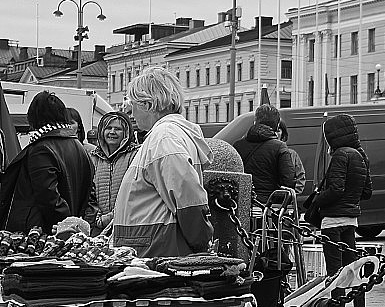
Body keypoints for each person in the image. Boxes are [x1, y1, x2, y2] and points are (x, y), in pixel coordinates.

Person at [113, 66, 213, 258]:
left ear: (148, 105)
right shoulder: (166, 136)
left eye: (133, 105)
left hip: (155, 248)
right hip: (154, 244)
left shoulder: (164, 138)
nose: (131, 113)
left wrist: (201, 244)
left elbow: (188, 199)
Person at [0, 91, 94, 234]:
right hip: (67, 228)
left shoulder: (41, 149)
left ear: (34, 117)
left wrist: (65, 226)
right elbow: (88, 192)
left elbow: (49, 198)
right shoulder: (78, 146)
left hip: (41, 232)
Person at [315, 114, 372, 307]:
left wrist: (317, 200)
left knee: (336, 273)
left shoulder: (340, 155)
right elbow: (367, 192)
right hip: (351, 220)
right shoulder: (361, 155)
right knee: (354, 270)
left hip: (332, 221)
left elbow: (335, 189)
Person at [87, 111, 140, 236]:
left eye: (118, 129)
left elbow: (136, 192)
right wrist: (96, 216)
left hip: (126, 224)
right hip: (97, 227)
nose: (112, 132)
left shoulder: (135, 155)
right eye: (108, 128)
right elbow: (88, 192)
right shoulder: (93, 157)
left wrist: (110, 217)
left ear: (126, 133)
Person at [233, 105, 295, 203]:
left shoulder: (238, 145)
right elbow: (289, 181)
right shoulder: (279, 147)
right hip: (268, 205)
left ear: (255, 122)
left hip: (242, 202)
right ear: (277, 125)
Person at [278, 120, 307, 195]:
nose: (275, 134)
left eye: (278, 131)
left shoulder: (292, 154)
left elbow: (300, 177)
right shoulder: (266, 152)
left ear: (283, 134)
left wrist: (291, 195)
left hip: (285, 200)